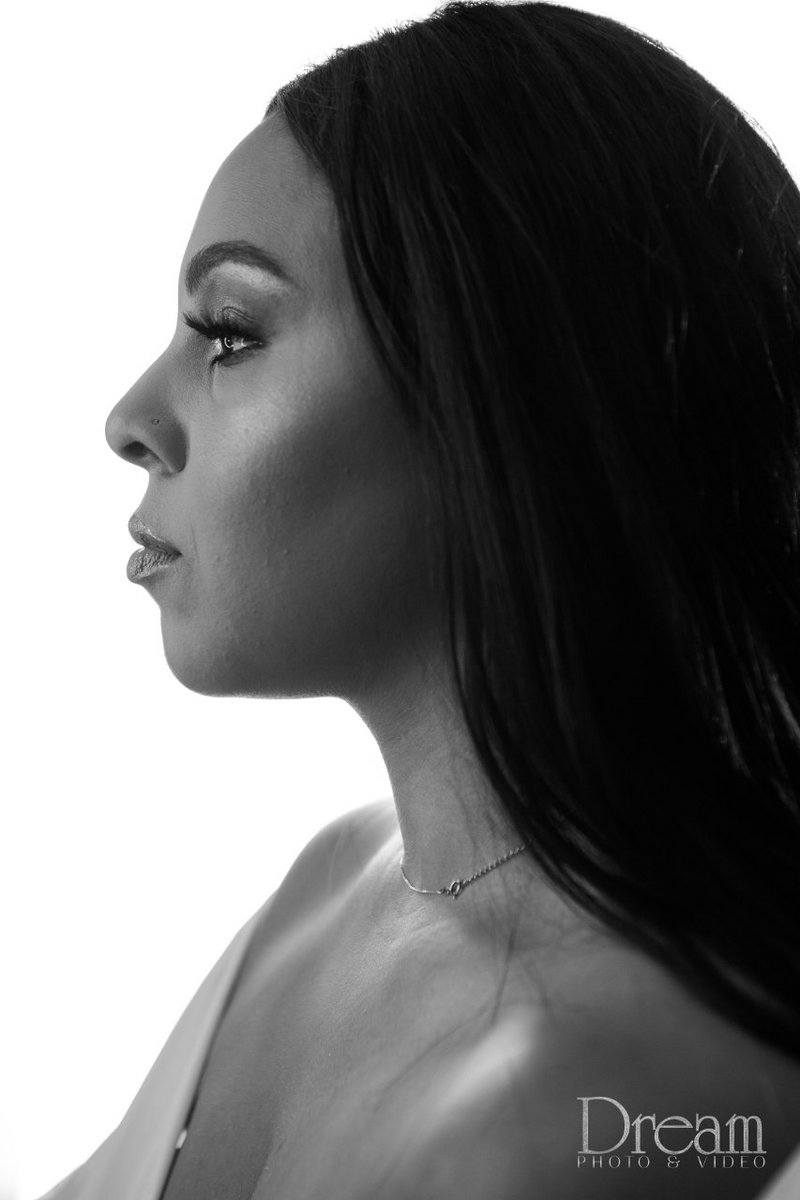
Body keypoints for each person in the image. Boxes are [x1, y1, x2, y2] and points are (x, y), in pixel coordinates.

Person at [39, 2, 800, 1198]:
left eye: (227, 333)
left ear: (504, 391)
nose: (129, 420)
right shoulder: (333, 883)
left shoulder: (573, 1118)